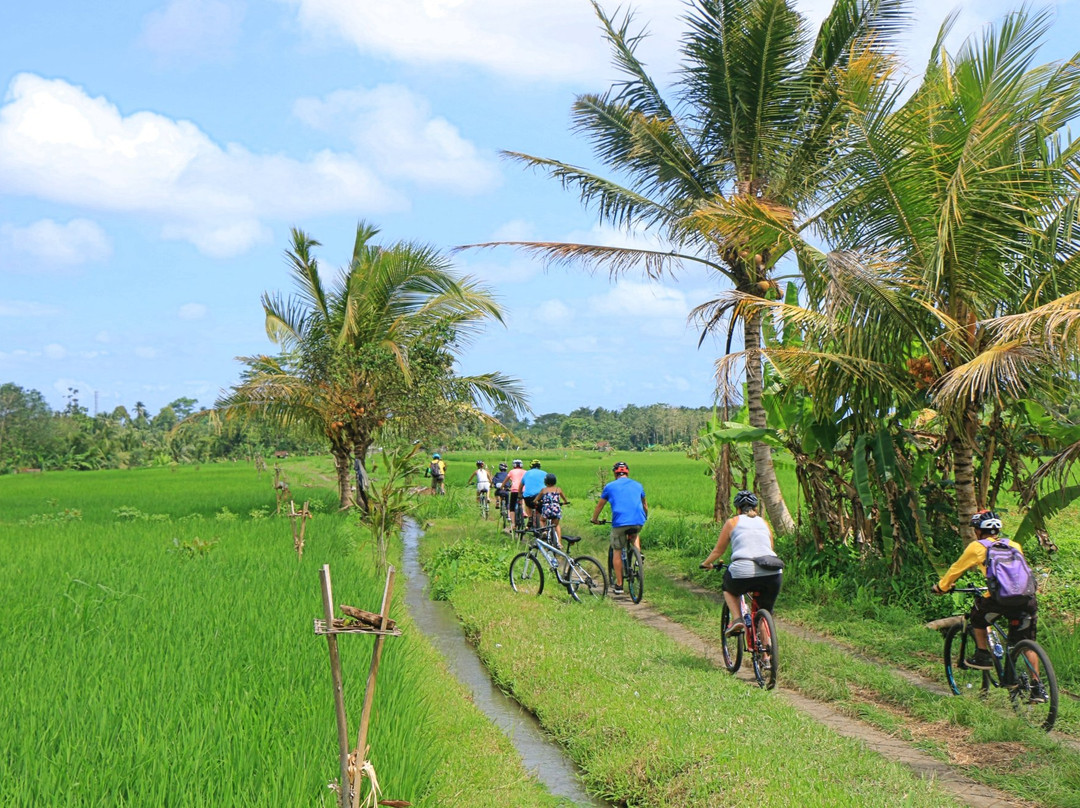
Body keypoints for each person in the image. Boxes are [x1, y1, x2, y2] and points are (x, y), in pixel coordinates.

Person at [931, 511, 1047, 702]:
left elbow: (955, 570)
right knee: (1026, 643)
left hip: (999, 600)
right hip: (1027, 599)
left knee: (977, 616)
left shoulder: (977, 547)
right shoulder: (1013, 545)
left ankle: (983, 655)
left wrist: (942, 587)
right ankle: (1037, 687)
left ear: (977, 531)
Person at [699, 490, 782, 635]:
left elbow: (718, 551)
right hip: (773, 572)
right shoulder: (764, 523)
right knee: (764, 614)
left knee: (728, 588)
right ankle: (766, 655)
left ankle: (737, 620)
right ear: (755, 508)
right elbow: (770, 547)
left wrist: (706, 563)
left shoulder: (732, 522)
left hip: (742, 571)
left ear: (737, 509)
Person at [591, 461, 647, 595]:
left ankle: (619, 585)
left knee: (617, 550)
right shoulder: (638, 485)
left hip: (620, 523)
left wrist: (594, 519)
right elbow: (645, 506)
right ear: (627, 473)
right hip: (638, 520)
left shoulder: (609, 487)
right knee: (635, 534)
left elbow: (600, 506)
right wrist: (644, 517)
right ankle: (638, 555)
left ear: (615, 474)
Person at [536, 473, 569, 547]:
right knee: (556, 525)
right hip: (556, 508)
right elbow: (565, 500)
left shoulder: (544, 490)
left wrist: (536, 502)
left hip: (546, 509)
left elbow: (536, 499)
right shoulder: (558, 489)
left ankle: (544, 531)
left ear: (545, 482)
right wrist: (565, 502)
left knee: (542, 520)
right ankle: (559, 543)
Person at [521, 459, 547, 525]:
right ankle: (544, 527)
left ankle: (530, 518)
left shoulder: (527, 473)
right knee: (542, 509)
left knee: (528, 505)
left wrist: (519, 494)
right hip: (542, 496)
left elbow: (521, 486)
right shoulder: (545, 473)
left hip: (529, 497)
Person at [504, 459, 527, 533]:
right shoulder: (525, 472)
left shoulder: (511, 471)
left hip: (514, 490)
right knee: (523, 500)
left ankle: (513, 524)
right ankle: (523, 511)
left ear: (514, 465)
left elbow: (506, 480)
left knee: (512, 508)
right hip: (523, 490)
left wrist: (501, 487)